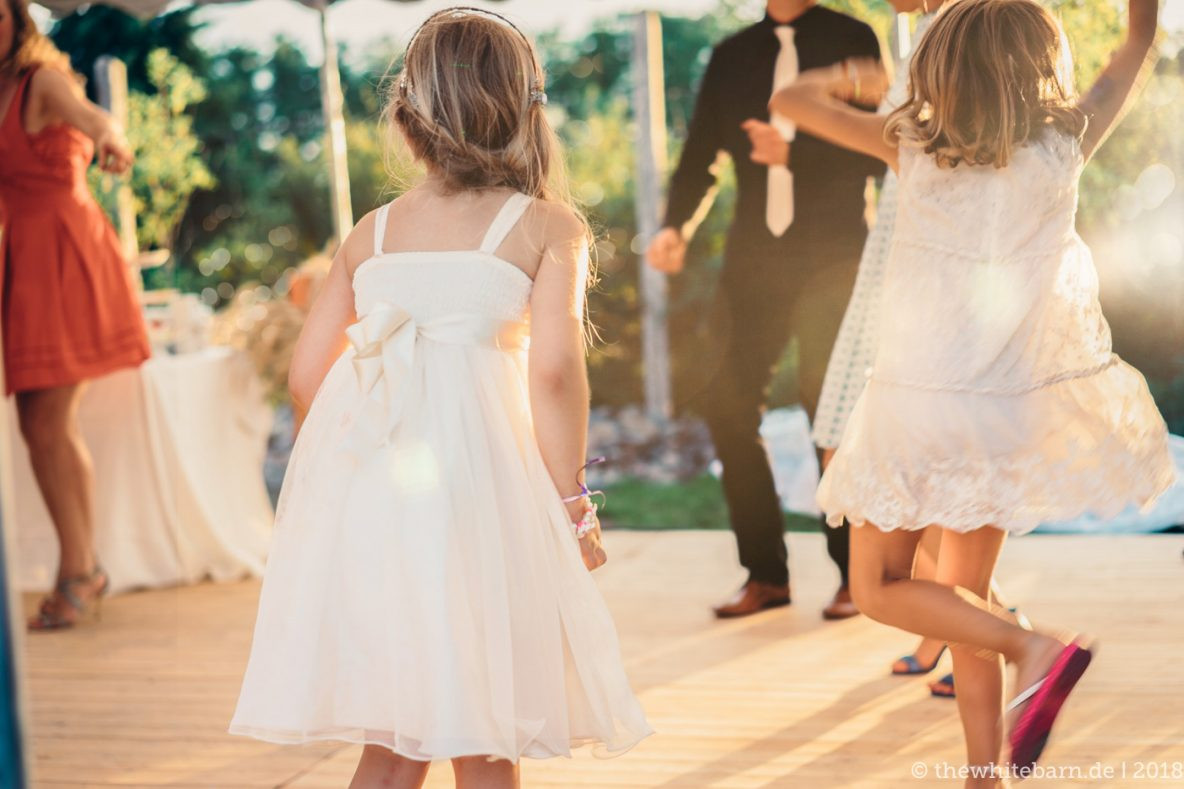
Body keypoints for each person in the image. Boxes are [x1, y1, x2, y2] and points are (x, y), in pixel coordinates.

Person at [228, 9, 651, 788]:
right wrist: (571, 505)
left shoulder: (371, 233)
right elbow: (554, 373)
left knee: (393, 738)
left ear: (408, 119)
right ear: (525, 110)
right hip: (477, 496)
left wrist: (334, 485)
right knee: (483, 727)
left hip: (376, 494)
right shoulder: (547, 226)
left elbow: (304, 376)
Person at [772, 0, 1170, 782]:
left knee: (882, 587)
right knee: (965, 599)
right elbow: (1139, 39)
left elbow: (789, 103)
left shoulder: (912, 141)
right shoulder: (1068, 140)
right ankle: (987, 770)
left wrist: (848, 76)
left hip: (918, 405)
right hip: (1005, 413)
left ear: (939, 68)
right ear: (1038, 63)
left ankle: (1036, 648)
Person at [647, 0, 884, 620]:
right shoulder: (731, 55)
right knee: (726, 403)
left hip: (834, 257)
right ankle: (765, 576)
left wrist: (794, 154)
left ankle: (855, 578)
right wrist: (676, 226)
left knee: (826, 408)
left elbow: (884, 150)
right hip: (753, 259)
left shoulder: (852, 37)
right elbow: (701, 150)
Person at [0, 0, 147, 630]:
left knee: (49, 421)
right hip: (25, 262)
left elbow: (97, 120)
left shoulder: (42, 79)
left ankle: (81, 570)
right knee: (39, 425)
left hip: (64, 254)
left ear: (17, 21)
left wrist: (112, 139)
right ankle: (81, 566)